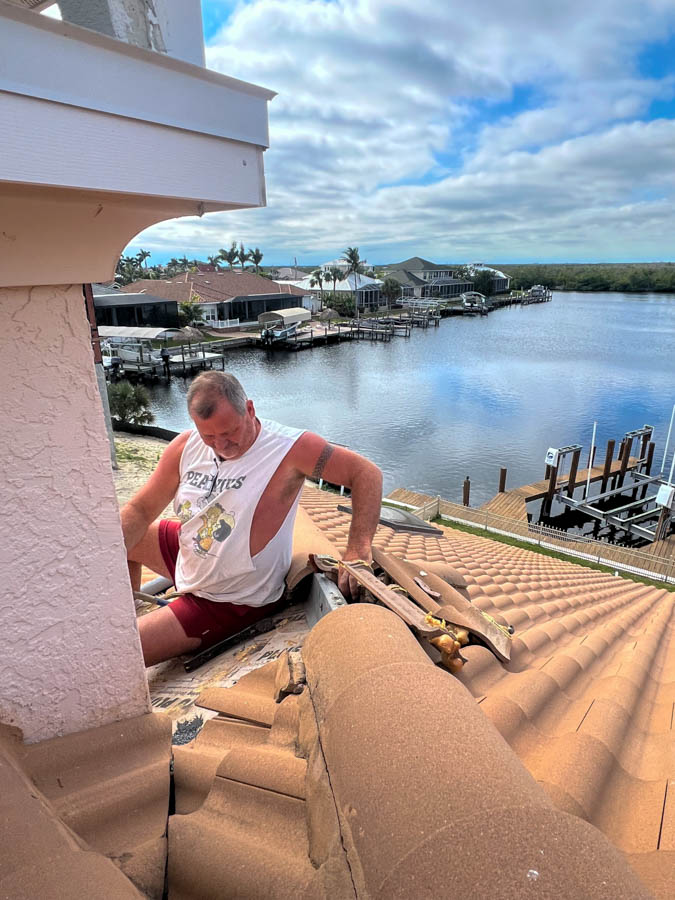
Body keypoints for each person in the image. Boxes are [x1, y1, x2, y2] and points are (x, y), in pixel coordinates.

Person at [122, 371, 383, 666]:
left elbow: (365, 473)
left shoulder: (290, 449)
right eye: (209, 436)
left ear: (249, 409)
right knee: (125, 537)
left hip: (228, 598)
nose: (221, 445)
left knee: (121, 653)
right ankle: (124, 611)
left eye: (229, 432)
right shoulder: (185, 446)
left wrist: (358, 549)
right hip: (190, 554)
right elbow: (140, 510)